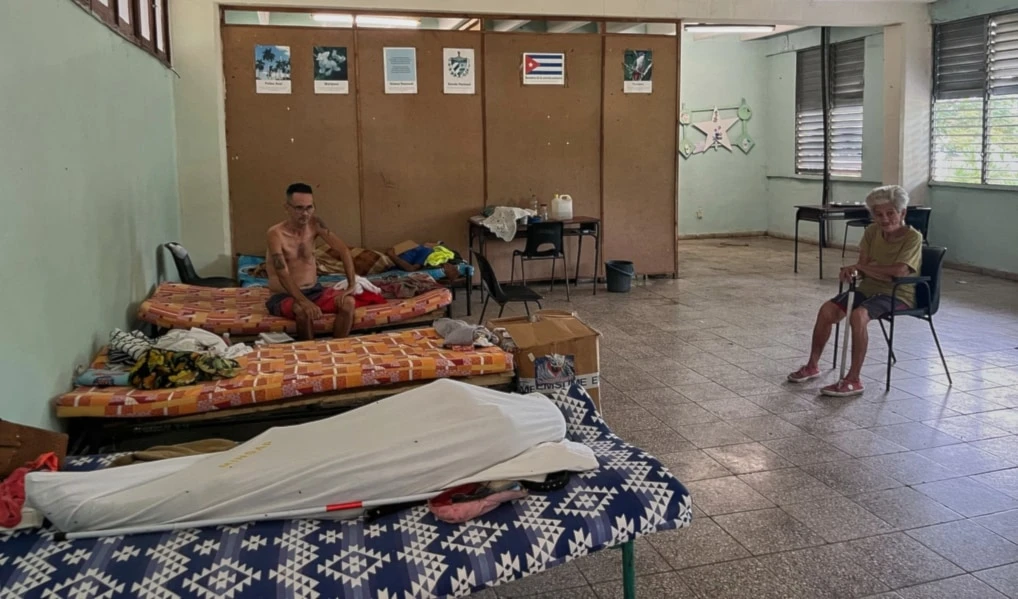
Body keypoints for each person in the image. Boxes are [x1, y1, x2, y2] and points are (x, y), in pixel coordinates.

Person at [787, 185, 923, 397]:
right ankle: (812, 365)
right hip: (869, 288)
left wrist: (864, 268)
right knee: (826, 311)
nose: (885, 219)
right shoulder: (871, 232)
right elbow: (864, 266)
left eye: (890, 213)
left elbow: (898, 272)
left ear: (902, 213)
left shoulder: (913, 238)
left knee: (858, 316)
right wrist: (854, 272)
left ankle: (854, 379)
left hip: (897, 294)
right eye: (878, 214)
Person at [265, 183, 357, 340]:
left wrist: (351, 284)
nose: (305, 213)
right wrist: (303, 301)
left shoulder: (315, 224)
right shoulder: (275, 234)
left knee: (348, 304)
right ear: (287, 208)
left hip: (315, 290)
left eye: (309, 207)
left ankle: (339, 348)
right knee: (303, 312)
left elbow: (343, 250)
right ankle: (310, 354)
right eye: (299, 208)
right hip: (285, 295)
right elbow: (282, 272)